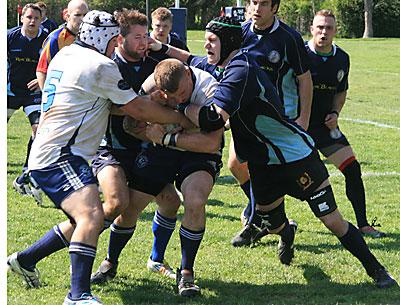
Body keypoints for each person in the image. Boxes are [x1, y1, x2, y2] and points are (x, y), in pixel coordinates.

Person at [182, 15, 397, 289]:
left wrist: (180, 110)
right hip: (263, 164)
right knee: (272, 222)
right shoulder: (225, 65)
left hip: (296, 157)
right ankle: (287, 233)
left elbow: (213, 119)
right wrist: (160, 48)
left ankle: (377, 270)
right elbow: (193, 60)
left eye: (212, 41)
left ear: (228, 42)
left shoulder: (240, 70)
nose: (207, 46)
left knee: (332, 219)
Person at [7, 10, 191, 305]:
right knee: (92, 215)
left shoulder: (66, 55)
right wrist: (182, 119)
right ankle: (78, 295)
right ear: (105, 37)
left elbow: (109, 104)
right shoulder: (100, 65)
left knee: (88, 218)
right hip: (62, 154)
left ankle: (26, 259)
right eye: (114, 37)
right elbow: (138, 111)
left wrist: (144, 103)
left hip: (59, 150)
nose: (116, 43)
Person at [92, 58, 224, 297]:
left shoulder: (209, 89)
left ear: (187, 73)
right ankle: (110, 262)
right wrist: (148, 121)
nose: (178, 100)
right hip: (161, 151)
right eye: (171, 97)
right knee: (131, 206)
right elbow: (130, 125)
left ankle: (186, 274)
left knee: (195, 201)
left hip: (197, 154)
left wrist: (167, 135)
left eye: (182, 94)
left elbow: (212, 142)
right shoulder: (151, 84)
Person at [89, 9, 182, 283]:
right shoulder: (109, 66)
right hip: (114, 148)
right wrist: (143, 103)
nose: (145, 42)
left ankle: (153, 259)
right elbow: (110, 108)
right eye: (138, 37)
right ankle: (100, 256)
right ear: (120, 39)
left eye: (146, 36)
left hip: (148, 148)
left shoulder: (156, 61)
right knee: (122, 206)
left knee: (169, 200)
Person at [231, 0, 314, 246]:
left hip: (279, 120)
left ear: (275, 7)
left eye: (264, 3)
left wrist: (304, 118)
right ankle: (264, 219)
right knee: (236, 166)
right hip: (248, 119)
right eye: (254, 2)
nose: (258, 8)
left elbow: (305, 79)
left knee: (274, 176)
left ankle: (262, 221)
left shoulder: (288, 38)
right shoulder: (242, 33)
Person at [305, 10, 385, 238]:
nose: (323, 32)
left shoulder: (342, 58)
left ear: (335, 31)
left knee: (352, 168)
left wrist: (334, 113)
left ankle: (363, 224)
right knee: (287, 177)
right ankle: (262, 219)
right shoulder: (299, 54)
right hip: (298, 128)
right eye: (319, 27)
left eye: (328, 28)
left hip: (325, 127)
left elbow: (341, 92)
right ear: (312, 29)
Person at [8, 3, 47, 203]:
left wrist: (43, 80)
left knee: (38, 129)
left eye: (36, 18)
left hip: (33, 95)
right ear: (22, 18)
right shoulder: (9, 37)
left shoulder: (47, 40)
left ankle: (25, 173)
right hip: (9, 92)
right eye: (29, 17)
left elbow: (55, 65)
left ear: (41, 20)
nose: (32, 21)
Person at [36, 0, 89, 89]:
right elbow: (42, 71)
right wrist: (48, 99)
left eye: (85, 15)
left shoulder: (91, 37)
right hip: (62, 94)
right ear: (67, 16)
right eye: (77, 15)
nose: (82, 19)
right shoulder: (55, 38)